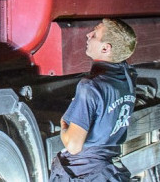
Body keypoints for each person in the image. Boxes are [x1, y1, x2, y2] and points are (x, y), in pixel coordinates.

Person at [49, 18, 138, 181]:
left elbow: (73, 146)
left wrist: (63, 128)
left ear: (106, 48)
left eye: (95, 34)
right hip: (107, 171)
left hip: (83, 172)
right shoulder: (128, 79)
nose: (88, 35)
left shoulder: (90, 87)